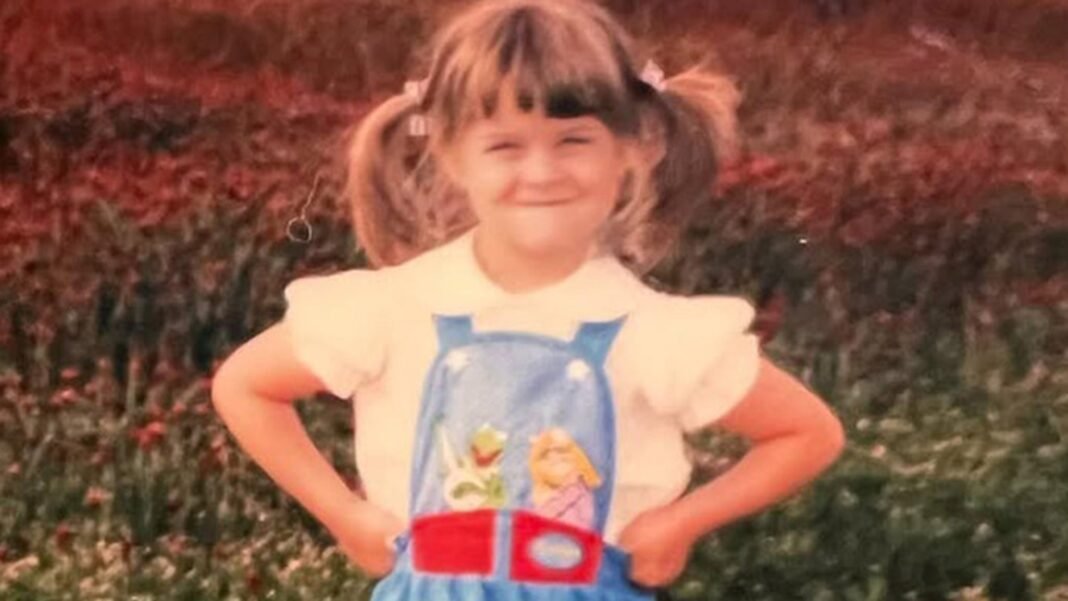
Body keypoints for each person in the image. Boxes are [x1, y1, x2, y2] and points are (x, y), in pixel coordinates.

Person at [211, 0, 846, 598]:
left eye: (574, 140)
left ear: (631, 149)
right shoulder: (397, 306)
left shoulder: (654, 332)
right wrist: (344, 514)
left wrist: (680, 523)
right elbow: (246, 386)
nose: (541, 172)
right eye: (505, 146)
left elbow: (806, 432)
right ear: (452, 156)